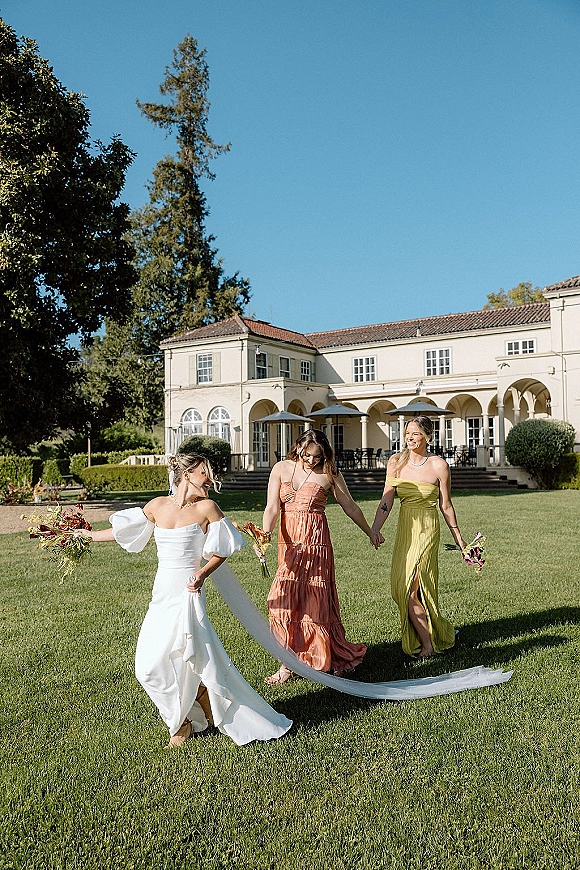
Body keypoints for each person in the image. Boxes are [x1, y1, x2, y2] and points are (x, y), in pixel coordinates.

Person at [83, 453, 292, 747]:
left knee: (188, 656)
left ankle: (184, 724)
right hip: (162, 595)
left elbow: (225, 548)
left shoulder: (208, 508)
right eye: (205, 472)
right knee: (147, 667)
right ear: (187, 474)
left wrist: (202, 574)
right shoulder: (157, 505)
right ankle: (197, 707)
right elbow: (122, 533)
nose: (210, 478)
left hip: (189, 592)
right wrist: (84, 535)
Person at [262, 428, 381, 684]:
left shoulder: (329, 472)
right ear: (298, 448)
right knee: (282, 598)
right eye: (306, 455)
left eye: (316, 456)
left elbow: (349, 505)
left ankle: (321, 654)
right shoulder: (281, 468)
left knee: (313, 599)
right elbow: (272, 507)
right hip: (289, 541)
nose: (311, 460)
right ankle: (287, 662)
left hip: (316, 542)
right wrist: (265, 534)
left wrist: (370, 532)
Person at [371, 415, 467, 658]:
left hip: (427, 527)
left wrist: (459, 538)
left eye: (415, 433)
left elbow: (446, 505)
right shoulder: (395, 462)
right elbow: (387, 499)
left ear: (427, 436)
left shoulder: (439, 465)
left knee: (413, 584)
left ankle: (427, 646)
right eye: (407, 433)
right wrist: (375, 528)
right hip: (406, 527)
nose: (409, 438)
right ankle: (437, 630)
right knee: (400, 588)